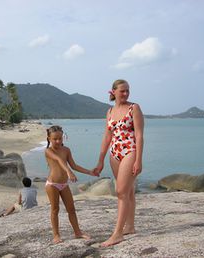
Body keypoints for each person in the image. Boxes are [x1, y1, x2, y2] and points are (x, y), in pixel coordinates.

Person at [94, 79, 144, 247]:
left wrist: (138, 160)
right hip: (114, 153)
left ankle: (117, 234)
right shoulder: (109, 111)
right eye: (122, 91)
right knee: (128, 191)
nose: (125, 93)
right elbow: (107, 137)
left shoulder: (134, 108)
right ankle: (130, 226)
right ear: (113, 92)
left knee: (120, 191)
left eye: (127, 90)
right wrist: (100, 161)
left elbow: (139, 135)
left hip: (130, 151)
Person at [45, 125, 98, 244]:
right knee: (55, 209)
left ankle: (77, 232)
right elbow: (59, 160)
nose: (58, 141)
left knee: (72, 209)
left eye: (60, 138)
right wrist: (68, 172)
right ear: (49, 138)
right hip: (52, 184)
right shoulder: (48, 151)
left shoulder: (66, 150)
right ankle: (56, 235)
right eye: (55, 139)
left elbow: (74, 165)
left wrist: (90, 172)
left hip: (63, 184)